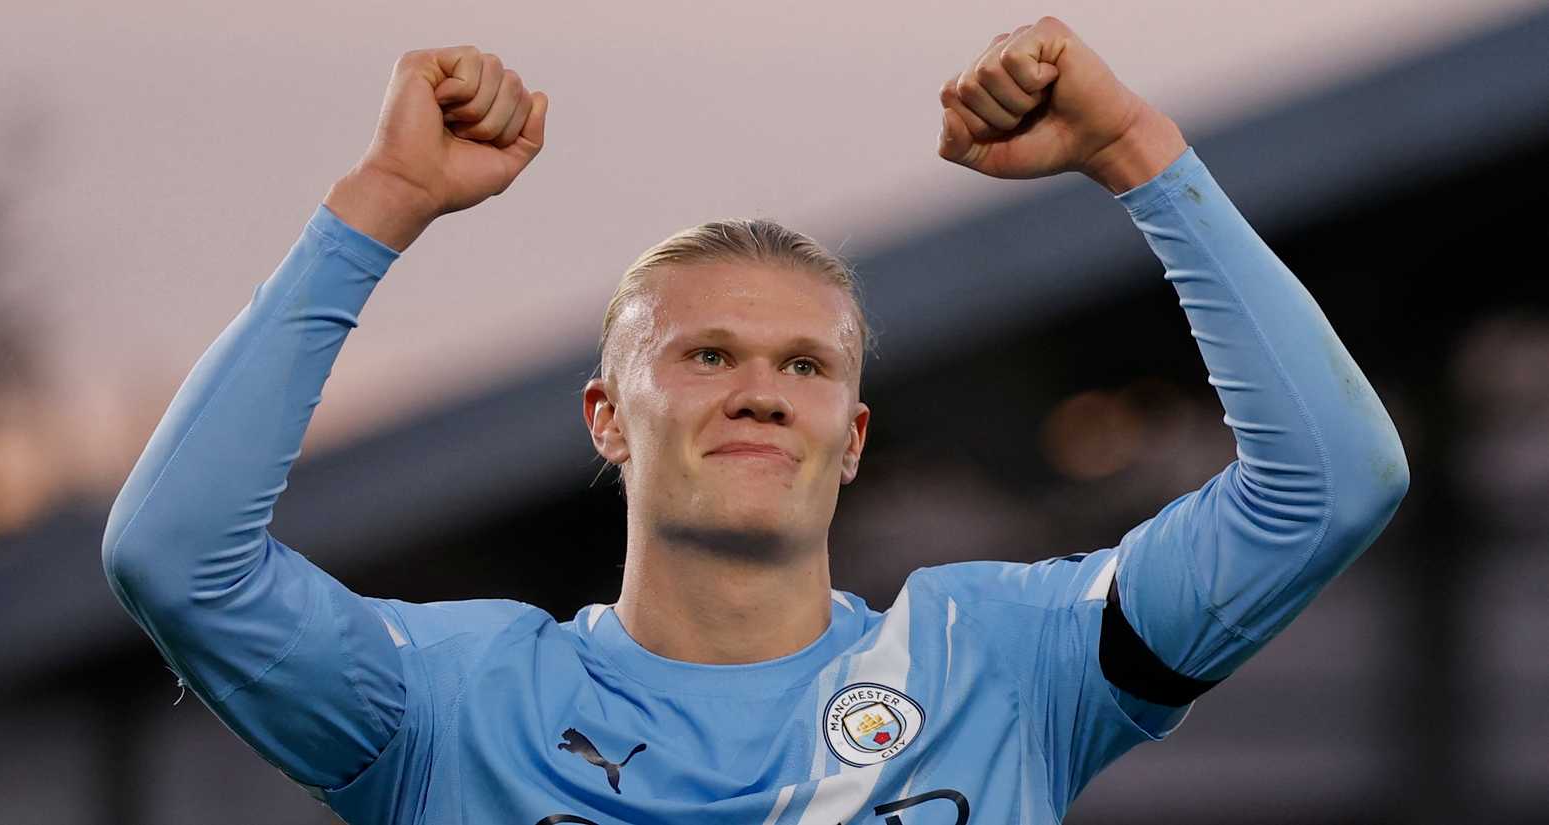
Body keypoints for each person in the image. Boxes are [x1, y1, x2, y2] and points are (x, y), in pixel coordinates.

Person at [102, 16, 1409, 825]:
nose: (759, 387)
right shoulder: (443, 702)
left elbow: (1329, 486)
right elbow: (175, 557)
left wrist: (1133, 150)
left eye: (803, 363)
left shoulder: (1006, 663)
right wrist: (382, 199)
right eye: (706, 351)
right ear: (605, 419)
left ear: (848, 436)